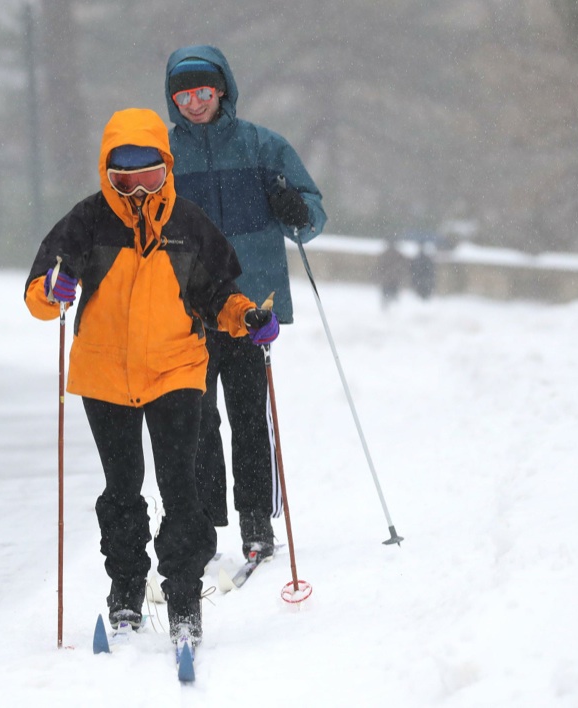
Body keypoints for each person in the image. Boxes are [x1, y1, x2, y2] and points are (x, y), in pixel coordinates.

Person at [23, 108, 280, 647]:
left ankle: (185, 599)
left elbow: (218, 297)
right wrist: (53, 290)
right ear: (107, 172)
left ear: (167, 166)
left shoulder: (188, 225)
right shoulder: (87, 222)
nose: (137, 187)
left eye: (149, 173)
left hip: (176, 369)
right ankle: (126, 590)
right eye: (124, 174)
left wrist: (247, 317)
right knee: (122, 488)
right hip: (104, 373)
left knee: (180, 486)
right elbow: (43, 289)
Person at [164, 45, 326, 563]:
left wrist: (295, 208)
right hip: (185, 309)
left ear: (223, 90)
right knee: (197, 418)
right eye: (183, 95)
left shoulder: (262, 146)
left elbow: (311, 216)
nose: (194, 103)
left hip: (250, 306)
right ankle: (205, 522)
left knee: (248, 415)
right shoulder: (165, 157)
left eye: (203, 92)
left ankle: (257, 519)